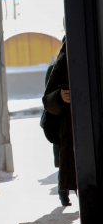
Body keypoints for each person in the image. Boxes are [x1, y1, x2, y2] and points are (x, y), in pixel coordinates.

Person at [43, 36, 77, 200]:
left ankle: (63, 192)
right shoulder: (60, 64)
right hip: (68, 132)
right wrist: (60, 96)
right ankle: (63, 193)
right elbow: (47, 99)